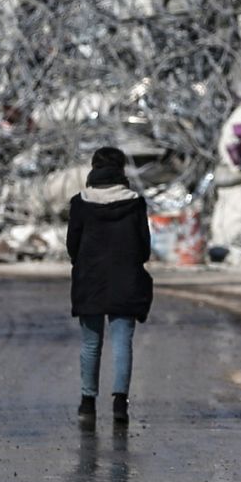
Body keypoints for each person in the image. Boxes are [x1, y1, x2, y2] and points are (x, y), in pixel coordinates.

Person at [68, 147, 154, 428]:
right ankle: (119, 405)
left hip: (90, 281)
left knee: (91, 344)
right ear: (121, 172)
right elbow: (144, 249)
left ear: (93, 169)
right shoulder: (135, 204)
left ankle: (87, 403)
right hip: (126, 281)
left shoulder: (80, 203)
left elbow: (73, 247)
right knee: (121, 344)